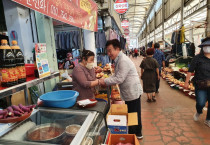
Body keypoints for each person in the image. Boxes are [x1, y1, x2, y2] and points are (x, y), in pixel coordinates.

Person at [99, 39, 143, 139]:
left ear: (117, 49)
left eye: (110, 51)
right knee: (132, 112)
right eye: (108, 51)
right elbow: (116, 75)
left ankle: (136, 134)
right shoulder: (119, 59)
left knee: (134, 113)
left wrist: (104, 81)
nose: (109, 53)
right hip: (129, 91)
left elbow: (119, 78)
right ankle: (134, 132)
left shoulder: (122, 60)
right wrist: (106, 79)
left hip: (132, 91)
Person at [184, 37, 210, 128]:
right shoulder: (197, 58)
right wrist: (186, 82)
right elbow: (190, 70)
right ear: (203, 47)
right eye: (206, 46)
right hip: (200, 84)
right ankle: (199, 111)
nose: (207, 47)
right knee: (201, 102)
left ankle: (208, 119)